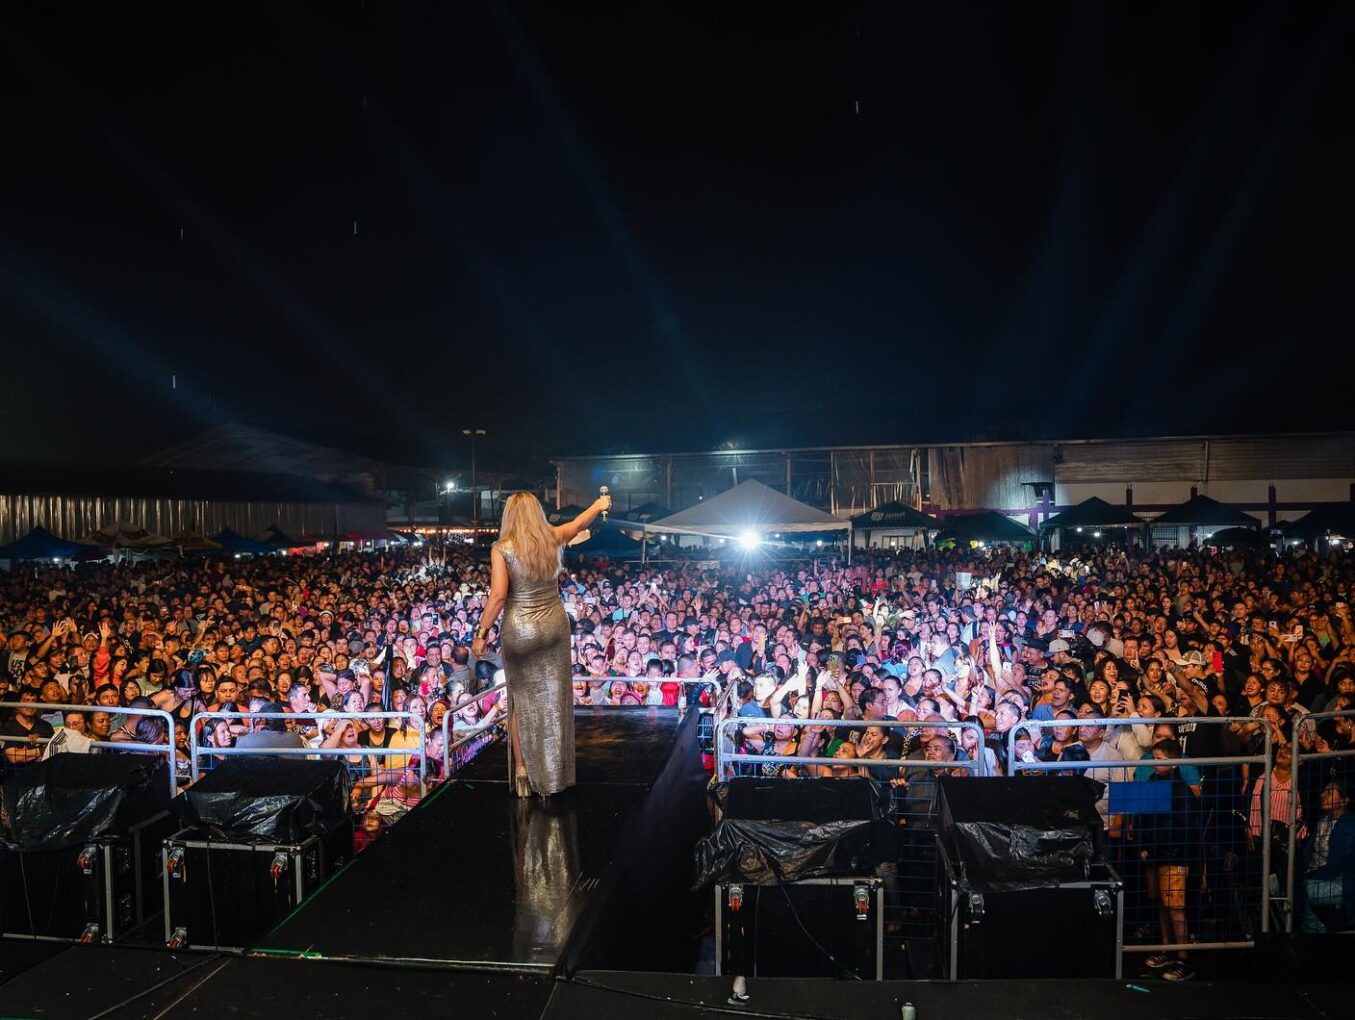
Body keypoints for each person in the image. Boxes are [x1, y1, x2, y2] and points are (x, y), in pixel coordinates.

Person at [472, 490, 610, 797]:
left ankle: (523, 773)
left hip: (520, 629)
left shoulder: (502, 548)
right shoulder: (551, 538)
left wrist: (480, 635)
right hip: (553, 627)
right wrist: (599, 504)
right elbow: (578, 522)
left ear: (509, 515)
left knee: (520, 702)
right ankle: (555, 775)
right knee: (554, 699)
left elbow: (497, 597)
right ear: (537, 512)